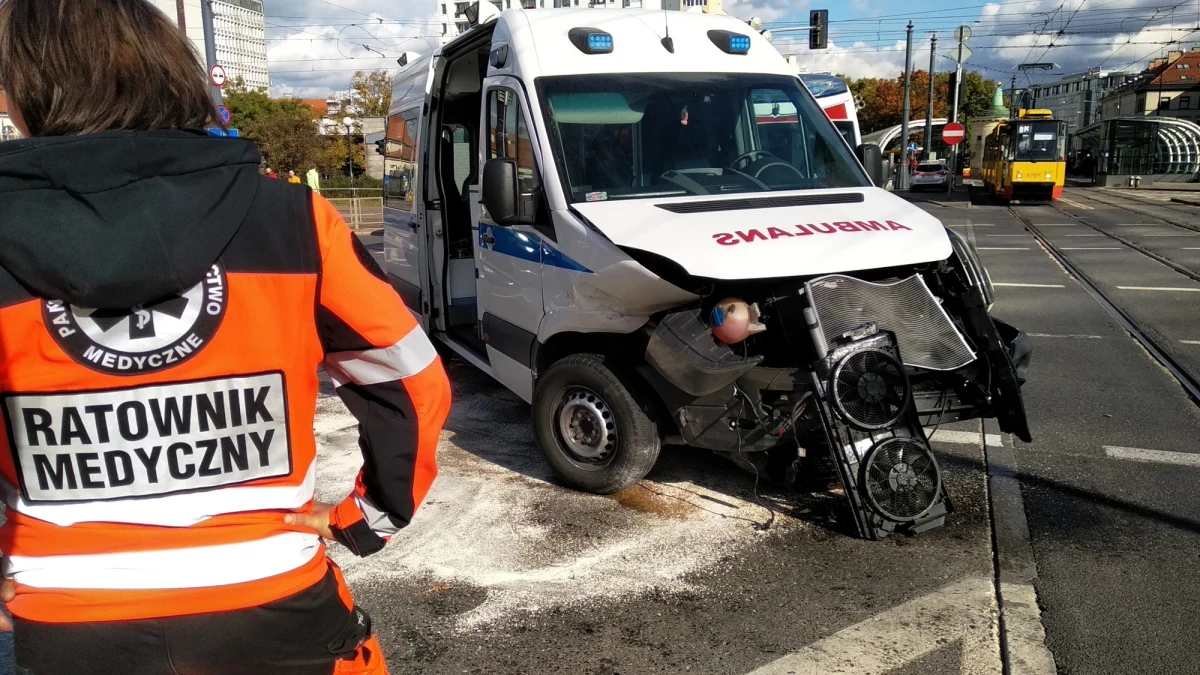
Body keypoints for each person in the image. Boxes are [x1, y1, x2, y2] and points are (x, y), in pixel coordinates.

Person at [0, 1, 452, 674]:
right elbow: (413, 378)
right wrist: (367, 516)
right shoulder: (293, 221)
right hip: (272, 597)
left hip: (67, 618)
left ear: (26, 90)